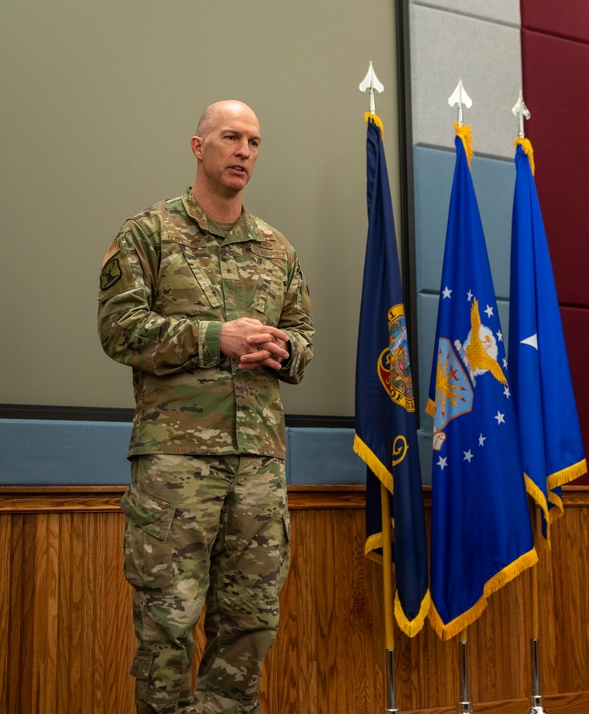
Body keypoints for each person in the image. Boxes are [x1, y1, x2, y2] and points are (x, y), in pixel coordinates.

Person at [98, 100, 315, 713]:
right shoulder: (149, 234)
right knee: (167, 623)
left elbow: (304, 339)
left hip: (259, 465)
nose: (244, 150)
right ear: (199, 147)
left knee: (251, 622)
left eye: (254, 141)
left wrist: (283, 348)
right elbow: (119, 330)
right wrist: (213, 336)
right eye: (231, 137)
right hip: (176, 465)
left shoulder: (277, 249)